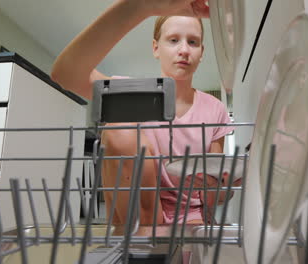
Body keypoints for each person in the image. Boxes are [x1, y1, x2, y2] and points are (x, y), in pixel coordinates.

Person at [51, 0, 237, 225]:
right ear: (156, 47)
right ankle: (143, 246)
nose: (184, 50)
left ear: (202, 51)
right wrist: (140, 6)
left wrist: (223, 186)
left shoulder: (215, 109)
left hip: (194, 220)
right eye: (173, 40)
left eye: (193, 42)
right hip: (140, 219)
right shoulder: (130, 93)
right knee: (119, 126)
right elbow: (65, 74)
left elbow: (212, 196)